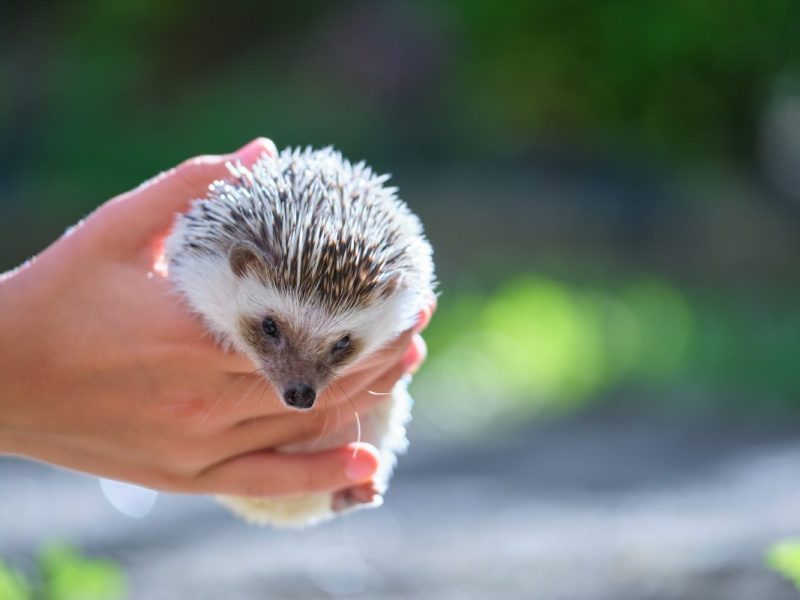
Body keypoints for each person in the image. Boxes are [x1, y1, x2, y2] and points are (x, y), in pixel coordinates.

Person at [0, 138, 431, 500]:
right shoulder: (209, 266)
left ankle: (335, 486)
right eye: (271, 330)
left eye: (340, 347)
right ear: (242, 266)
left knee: (380, 403)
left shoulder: (388, 300)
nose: (302, 384)